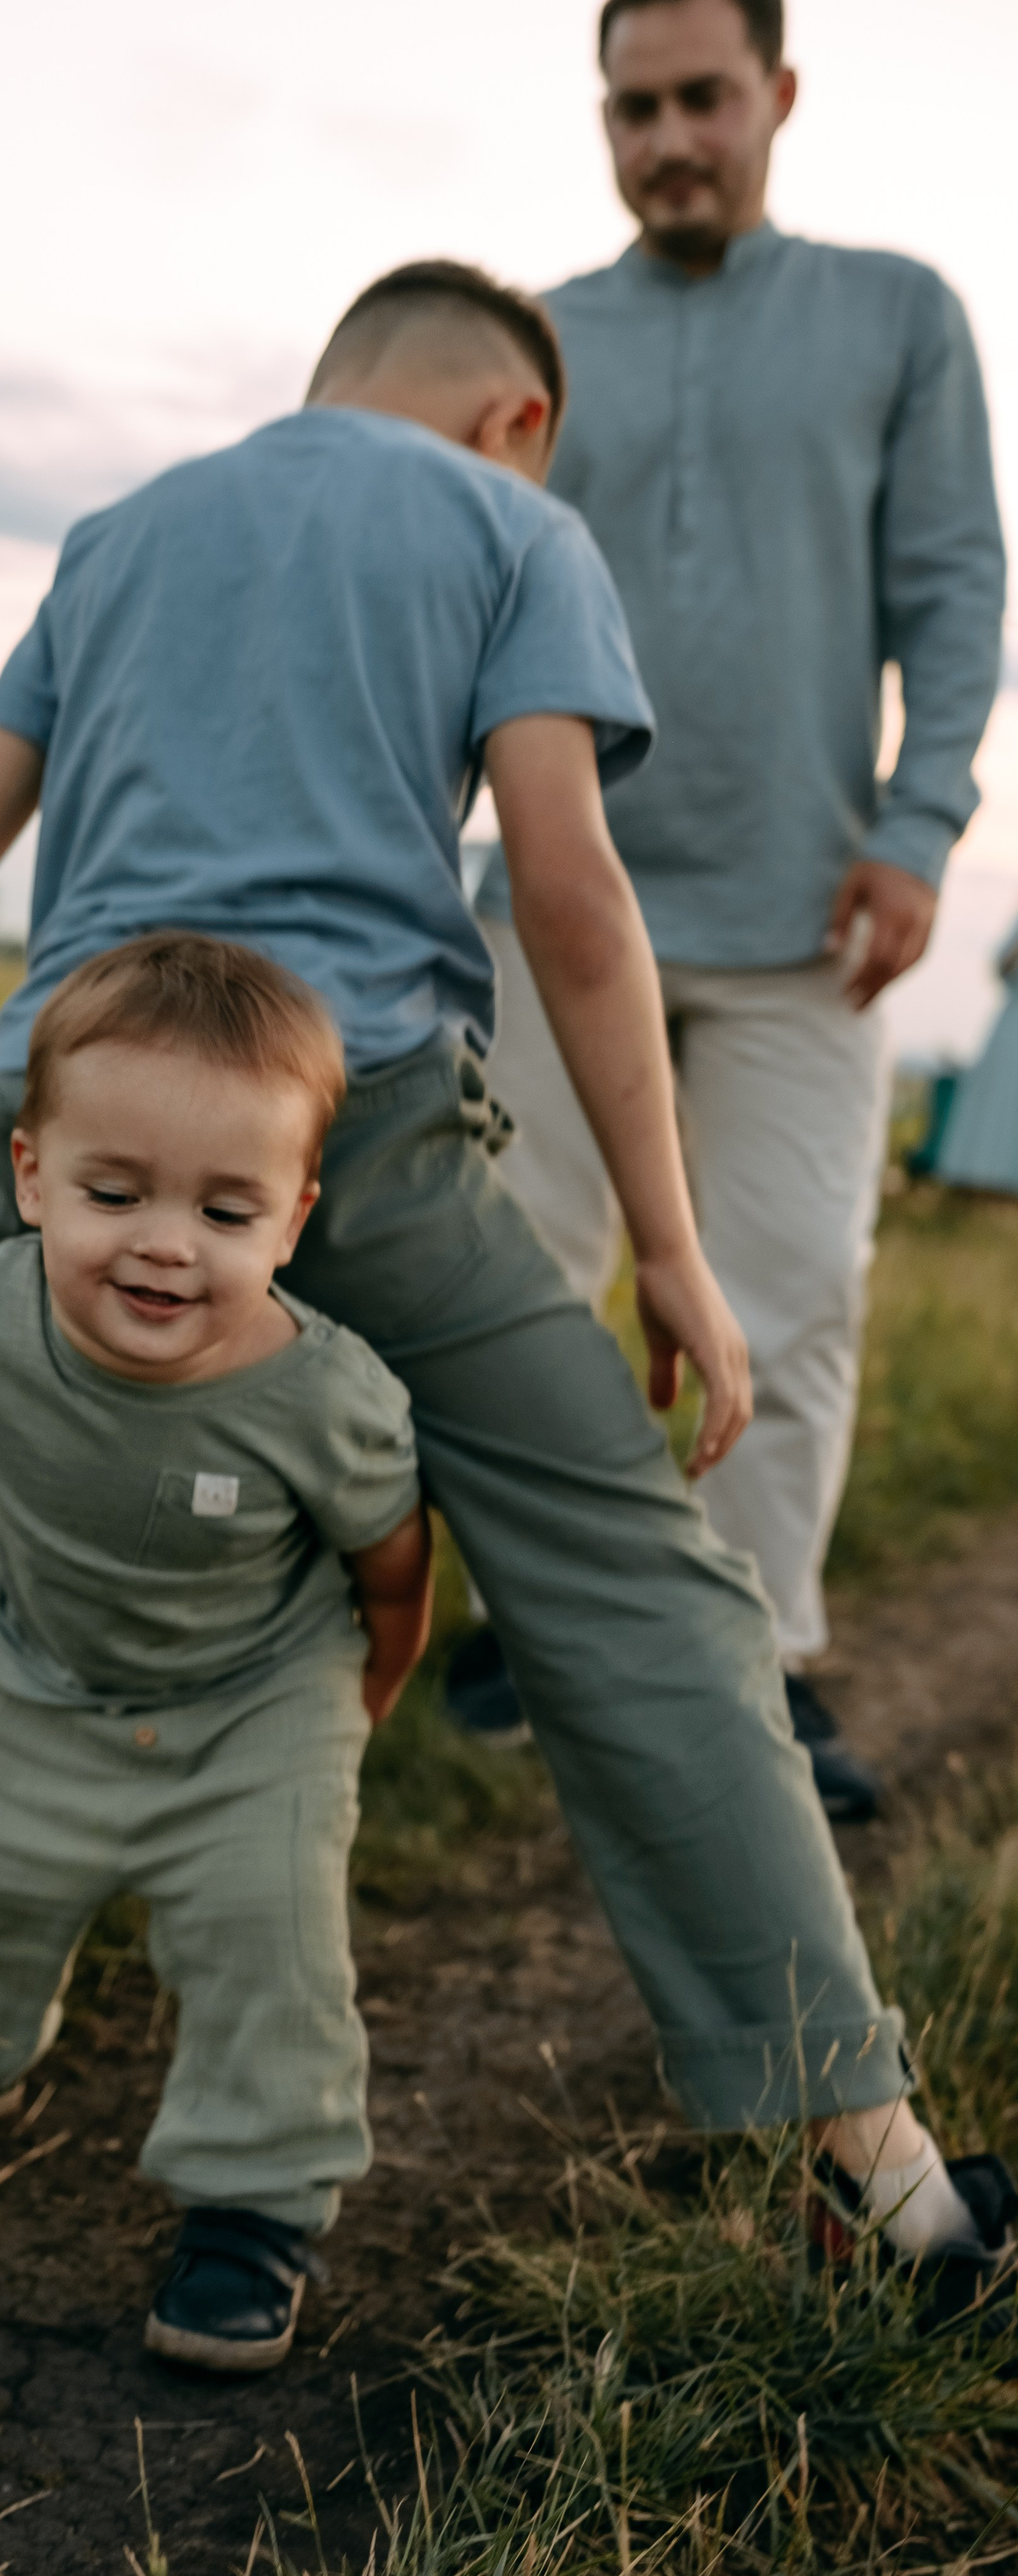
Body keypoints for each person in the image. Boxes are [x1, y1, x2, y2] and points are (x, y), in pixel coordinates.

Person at [0, 257, 1011, 2297]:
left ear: (327, 382)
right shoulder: (516, 526)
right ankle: (875, 2165)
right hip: (361, 1130)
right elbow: (568, 891)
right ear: (521, 421)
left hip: (68, 1121)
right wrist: (668, 1246)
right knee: (635, 1581)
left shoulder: (125, 532)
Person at [459, 0, 1007, 1820]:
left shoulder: (897, 315)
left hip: (804, 917)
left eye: (703, 99)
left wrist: (919, 829)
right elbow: (462, 605)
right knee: (518, 1278)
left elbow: (954, 589)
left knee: (787, 1289)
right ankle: (533, 1628)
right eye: (633, 108)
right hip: (552, 909)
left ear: (778, 95)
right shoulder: (536, 343)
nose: (668, 139)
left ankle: (756, 1669)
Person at [0, 934, 433, 2370]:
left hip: (260, 1700)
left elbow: (390, 1556)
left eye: (225, 1208)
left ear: (292, 1219)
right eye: (113, 1192)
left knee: (267, 1940)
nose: (163, 1243)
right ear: (30, 1178)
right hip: (43, 1675)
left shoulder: (327, 1397)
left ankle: (255, 2202)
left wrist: (372, 1684)